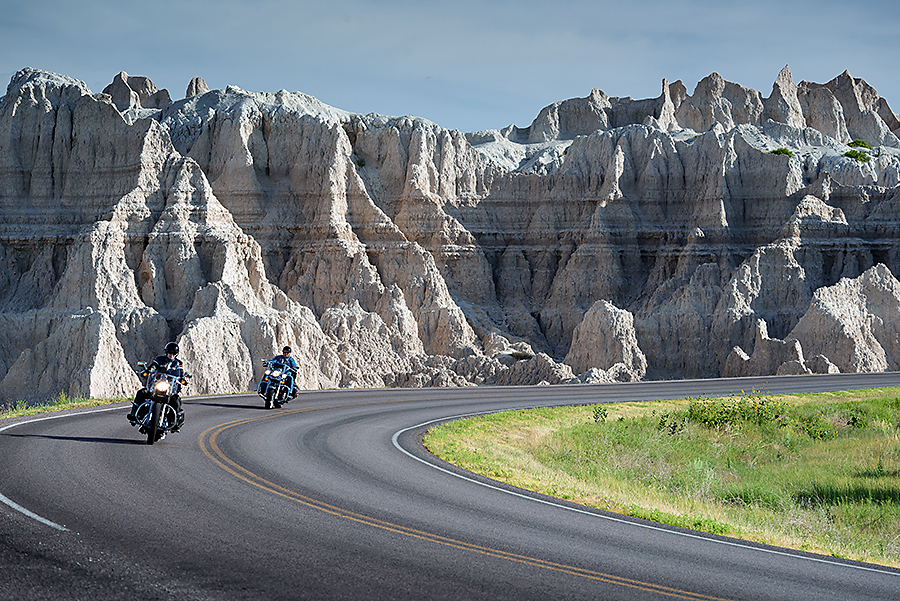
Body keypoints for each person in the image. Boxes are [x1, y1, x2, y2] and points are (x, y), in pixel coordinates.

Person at [127, 341, 187, 432]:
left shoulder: (178, 363)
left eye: (173, 353)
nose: (171, 355)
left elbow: (180, 373)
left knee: (176, 400)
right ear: (166, 352)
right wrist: (148, 371)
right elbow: (153, 366)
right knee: (142, 392)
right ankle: (135, 415)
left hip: (170, 389)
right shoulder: (160, 359)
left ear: (176, 354)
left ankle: (174, 422)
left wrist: (183, 379)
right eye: (170, 352)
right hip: (157, 385)